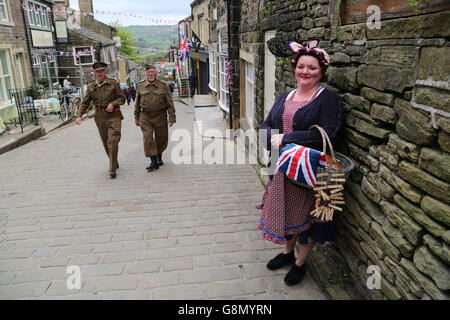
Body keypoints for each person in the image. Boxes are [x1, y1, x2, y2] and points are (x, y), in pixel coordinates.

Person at [257, 39, 344, 286]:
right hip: (284, 169)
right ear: (295, 68)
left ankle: (300, 263)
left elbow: (330, 134)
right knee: (288, 215)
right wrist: (267, 140)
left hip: (315, 172)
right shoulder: (286, 96)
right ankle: (287, 254)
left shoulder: (329, 100)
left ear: (321, 72)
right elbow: (267, 124)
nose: (305, 72)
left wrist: (287, 138)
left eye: (312, 68)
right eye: (301, 66)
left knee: (310, 224)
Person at [75, 61, 126, 179]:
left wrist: (113, 104)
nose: (100, 74)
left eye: (102, 71)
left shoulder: (113, 83)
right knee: (105, 141)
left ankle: (112, 169)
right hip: (99, 116)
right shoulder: (91, 86)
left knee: (112, 141)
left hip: (114, 115)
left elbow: (122, 98)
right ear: (94, 73)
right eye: (97, 72)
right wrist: (79, 116)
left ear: (106, 71)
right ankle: (114, 161)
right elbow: (85, 102)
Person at [135, 64, 176, 172]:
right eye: (148, 72)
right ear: (146, 74)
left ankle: (159, 156)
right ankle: (153, 161)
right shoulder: (141, 85)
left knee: (161, 139)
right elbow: (137, 103)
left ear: (156, 73)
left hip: (160, 115)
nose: (150, 74)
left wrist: (172, 117)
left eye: (152, 72)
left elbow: (170, 103)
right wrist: (136, 116)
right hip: (146, 116)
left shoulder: (163, 85)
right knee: (148, 138)